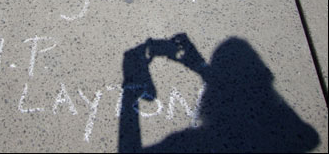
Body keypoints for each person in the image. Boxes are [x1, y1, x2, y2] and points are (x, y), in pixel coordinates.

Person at [119, 33, 320, 152]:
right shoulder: (276, 136)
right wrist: (202, 69)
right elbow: (308, 138)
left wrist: (131, 88)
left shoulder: (193, 143)